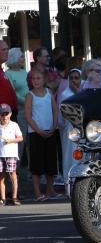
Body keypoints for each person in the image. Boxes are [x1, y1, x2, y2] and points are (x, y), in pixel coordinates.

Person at [24, 69, 60, 201]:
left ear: (44, 79)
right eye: (33, 79)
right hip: (36, 133)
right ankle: (38, 192)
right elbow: (28, 116)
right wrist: (38, 130)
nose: (36, 81)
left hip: (50, 132)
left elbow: (55, 110)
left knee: (50, 162)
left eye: (38, 78)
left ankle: (50, 190)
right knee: (36, 164)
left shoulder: (49, 93)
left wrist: (53, 126)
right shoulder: (30, 95)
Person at [58, 69, 82, 195]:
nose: (74, 80)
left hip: (84, 131)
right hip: (70, 130)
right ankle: (70, 188)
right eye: (71, 78)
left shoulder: (84, 92)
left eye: (76, 77)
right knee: (70, 157)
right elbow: (62, 116)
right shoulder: (65, 94)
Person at [5, 48, 29, 160]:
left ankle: (32, 172)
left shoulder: (25, 72)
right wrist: (27, 102)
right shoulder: (8, 74)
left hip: (31, 108)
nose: (23, 58)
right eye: (21, 56)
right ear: (14, 58)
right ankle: (15, 171)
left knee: (31, 141)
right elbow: (12, 92)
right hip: (20, 111)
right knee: (21, 140)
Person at [0, 104, 23, 206]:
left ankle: (14, 197)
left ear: (10, 114)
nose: (4, 116)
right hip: (0, 155)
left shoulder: (14, 125)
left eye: (6, 113)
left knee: (12, 175)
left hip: (11, 154)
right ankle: (3, 198)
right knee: (1, 177)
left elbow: (20, 138)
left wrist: (10, 141)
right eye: (2, 114)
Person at [0, 40, 18, 122]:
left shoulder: (1, 70)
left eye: (7, 49)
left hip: (10, 115)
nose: (7, 52)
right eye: (4, 49)